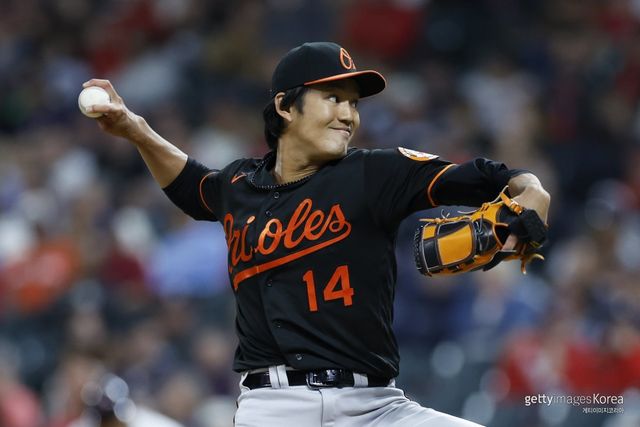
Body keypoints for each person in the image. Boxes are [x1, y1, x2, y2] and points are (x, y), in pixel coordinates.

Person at [83, 41, 550, 426]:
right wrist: (135, 129)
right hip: (274, 408)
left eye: (353, 103)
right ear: (285, 106)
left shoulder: (375, 172)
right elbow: (192, 186)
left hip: (376, 407)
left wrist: (531, 190)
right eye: (333, 98)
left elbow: (485, 177)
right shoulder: (240, 185)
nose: (349, 115)